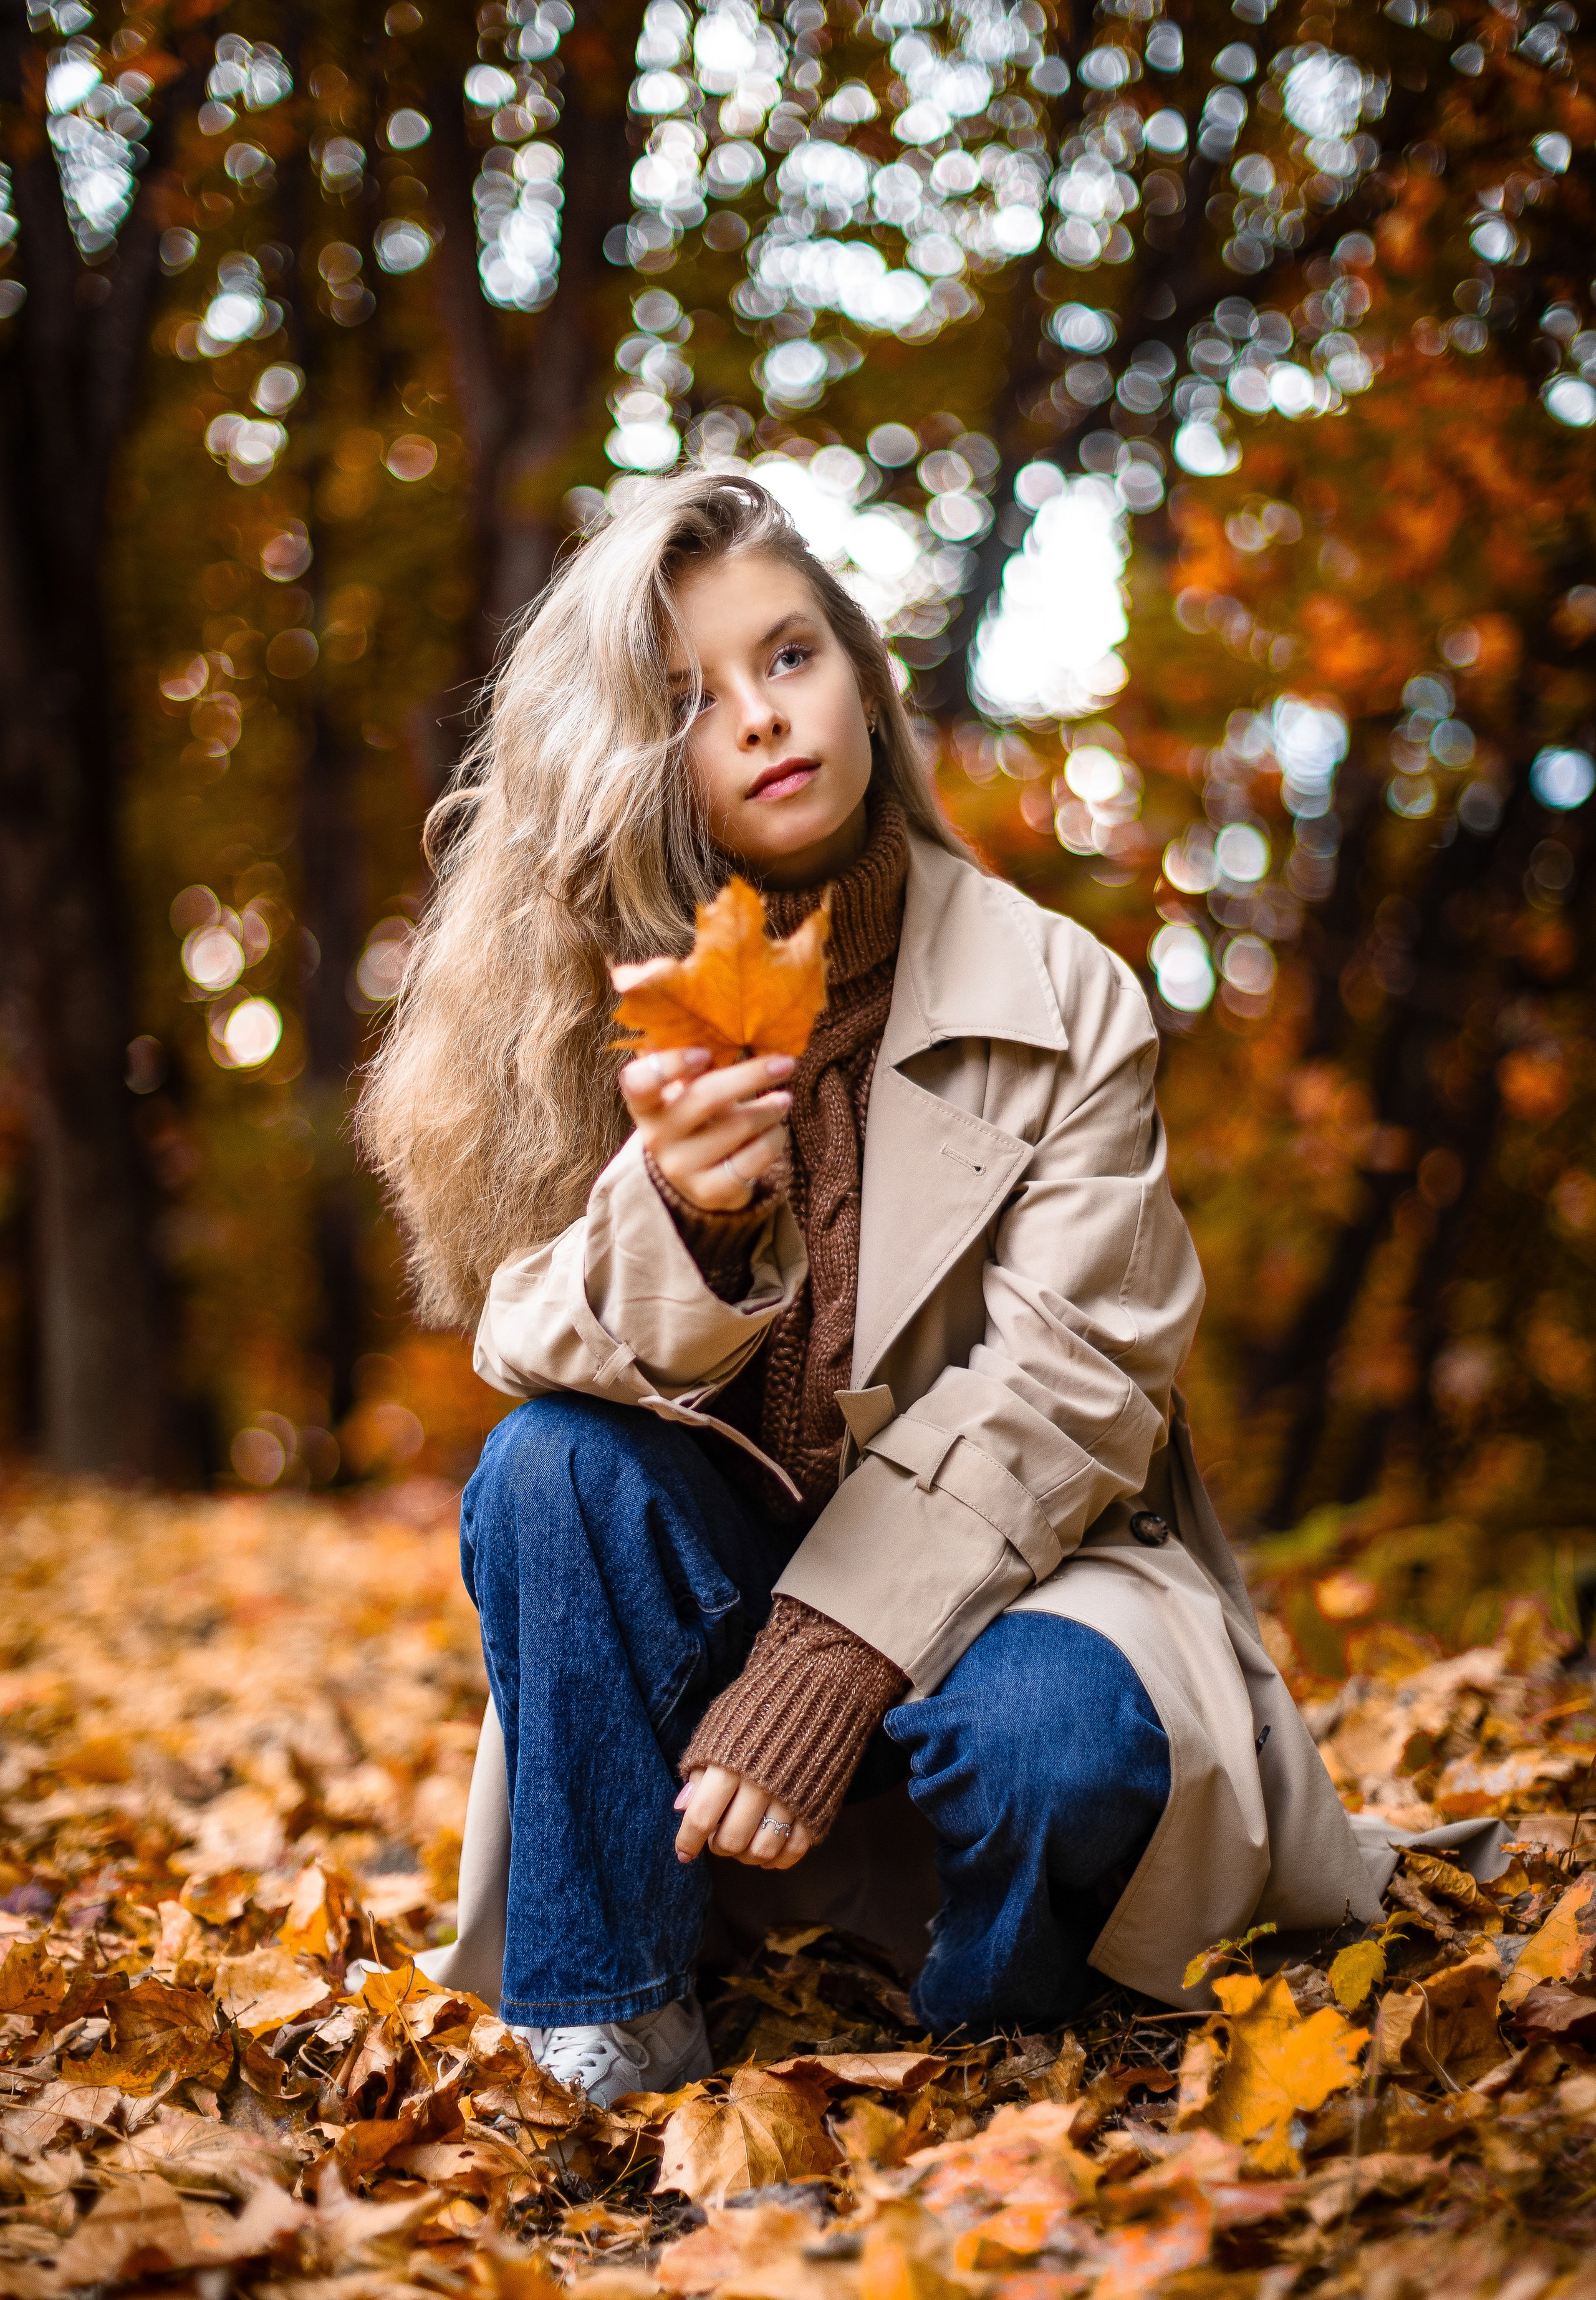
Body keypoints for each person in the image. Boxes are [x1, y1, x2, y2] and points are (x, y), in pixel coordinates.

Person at [358, 467, 1377, 2107]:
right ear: (631, 759)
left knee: (1065, 1742)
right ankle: (608, 2025)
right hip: (713, 1592)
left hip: (1019, 1585)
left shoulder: (1063, 992)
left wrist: (830, 1660)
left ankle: (981, 2050)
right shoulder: (586, 1008)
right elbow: (518, 1342)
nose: (764, 716)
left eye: (791, 654)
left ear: (861, 675)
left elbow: (1078, 1385)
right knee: (546, 1469)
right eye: (694, 698)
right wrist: (682, 1222)